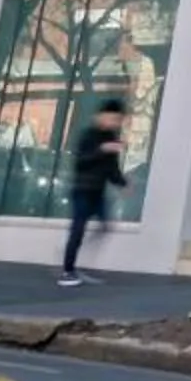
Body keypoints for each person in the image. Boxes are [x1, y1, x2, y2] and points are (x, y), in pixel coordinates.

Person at [59, 98, 126, 287]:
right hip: (82, 190)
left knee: (105, 226)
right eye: (112, 118)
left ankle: (75, 259)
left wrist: (123, 183)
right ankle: (67, 271)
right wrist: (102, 150)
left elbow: (111, 168)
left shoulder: (112, 137)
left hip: (98, 192)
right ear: (101, 116)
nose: (114, 123)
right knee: (78, 230)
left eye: (117, 120)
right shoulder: (87, 135)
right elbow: (81, 162)